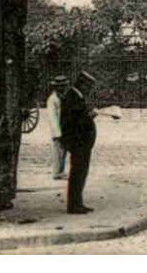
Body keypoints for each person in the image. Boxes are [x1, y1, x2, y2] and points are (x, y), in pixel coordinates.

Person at [59, 71, 100, 214]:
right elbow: (74, 121)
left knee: (80, 172)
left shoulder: (75, 96)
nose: (89, 89)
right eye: (88, 86)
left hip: (80, 142)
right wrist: (90, 116)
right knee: (78, 173)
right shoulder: (73, 97)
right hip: (78, 142)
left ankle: (77, 203)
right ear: (82, 84)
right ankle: (74, 205)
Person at [46, 75, 67, 179]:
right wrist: (57, 132)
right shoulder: (52, 99)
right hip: (58, 129)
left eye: (64, 86)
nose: (63, 88)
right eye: (61, 86)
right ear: (56, 87)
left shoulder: (61, 97)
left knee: (63, 150)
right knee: (57, 150)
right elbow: (52, 117)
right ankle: (56, 172)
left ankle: (61, 171)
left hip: (63, 126)